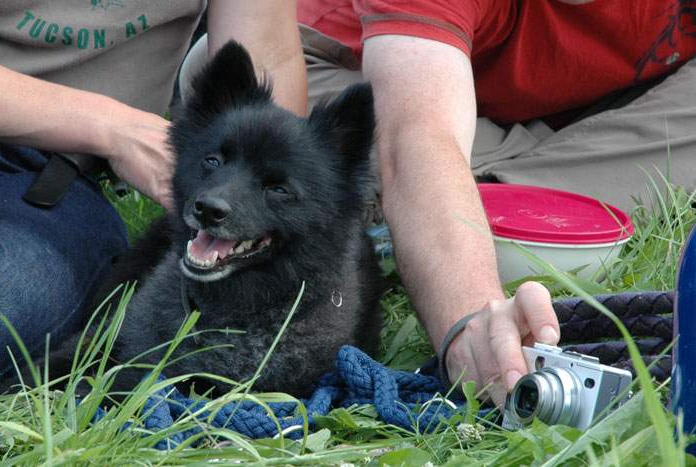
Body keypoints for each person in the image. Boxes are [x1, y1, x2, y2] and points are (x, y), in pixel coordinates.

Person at [182, 0, 696, 406]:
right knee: (345, 144)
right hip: (363, 75)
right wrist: (470, 319)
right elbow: (414, 136)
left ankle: (457, 195)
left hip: (593, 104)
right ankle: (454, 203)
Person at [0, 1, 306, 373]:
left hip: (44, 173)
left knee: (12, 297)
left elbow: (268, 58)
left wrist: (260, 207)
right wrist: (114, 128)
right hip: (75, 147)